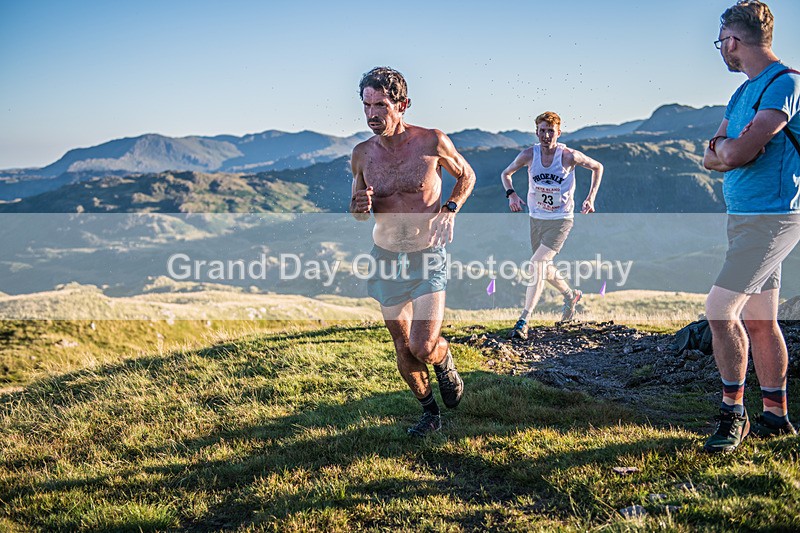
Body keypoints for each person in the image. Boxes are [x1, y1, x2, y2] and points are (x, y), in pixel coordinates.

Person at [350, 67, 476, 437]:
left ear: (402, 105)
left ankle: (443, 355)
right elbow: (358, 214)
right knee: (403, 347)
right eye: (367, 105)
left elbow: (466, 175)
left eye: (382, 105)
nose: (373, 114)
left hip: (427, 255)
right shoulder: (361, 155)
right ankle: (430, 413)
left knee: (423, 345)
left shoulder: (432, 141)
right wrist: (358, 206)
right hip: (386, 257)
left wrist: (450, 209)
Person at [702, 1, 800, 453]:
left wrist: (729, 148)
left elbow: (735, 156)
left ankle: (732, 415)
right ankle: (776, 417)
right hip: (746, 218)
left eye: (721, 40)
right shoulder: (743, 94)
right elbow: (712, 157)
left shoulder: (785, 84)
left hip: (772, 218)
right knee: (761, 321)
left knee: (720, 311)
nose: (720, 48)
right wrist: (728, 146)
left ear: (734, 40)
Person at [500, 112, 603, 339]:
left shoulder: (569, 156)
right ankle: (570, 295)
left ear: (559, 133)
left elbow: (598, 167)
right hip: (536, 219)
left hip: (561, 220)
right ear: (536, 132)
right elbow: (506, 174)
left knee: (536, 264)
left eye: (551, 131)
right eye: (542, 131)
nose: (546, 135)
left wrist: (591, 198)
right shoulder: (529, 155)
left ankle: (523, 320)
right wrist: (512, 195)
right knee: (543, 267)